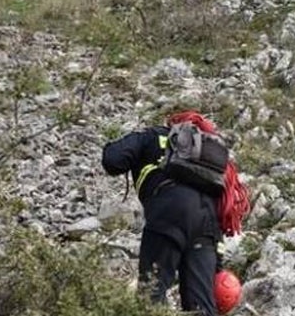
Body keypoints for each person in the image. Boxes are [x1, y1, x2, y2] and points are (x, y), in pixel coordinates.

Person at [101, 111, 249, 314]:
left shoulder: (152, 136)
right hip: (208, 224)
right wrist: (216, 265)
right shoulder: (207, 161)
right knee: (202, 308)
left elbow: (113, 161)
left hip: (169, 212)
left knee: (151, 296)